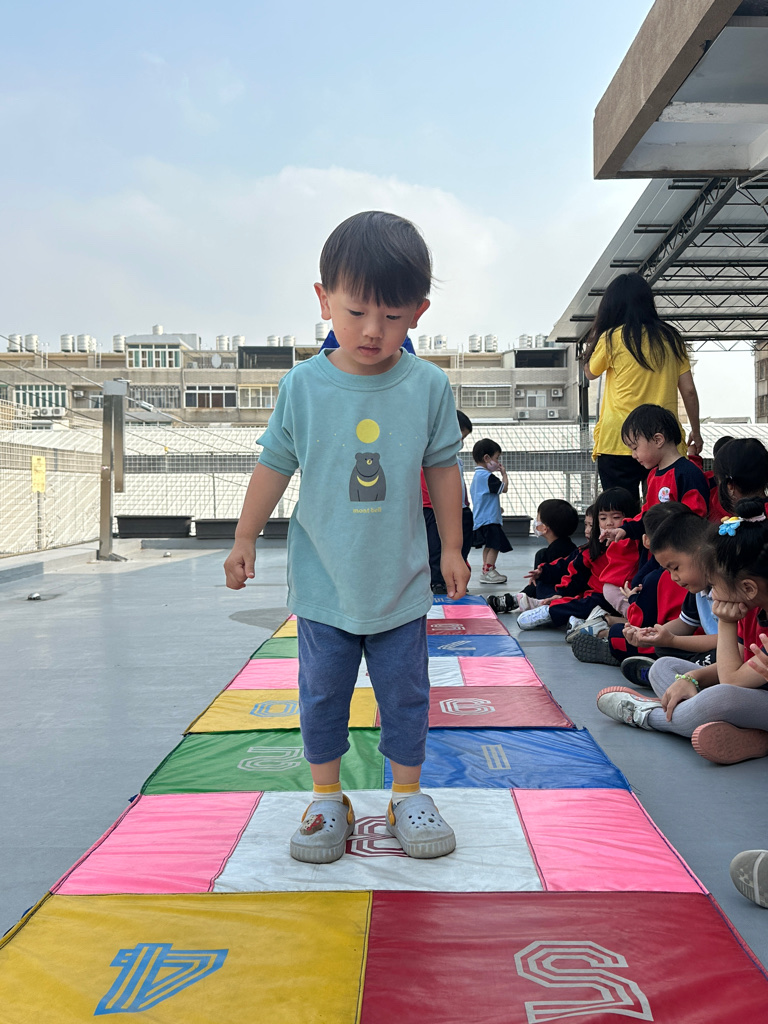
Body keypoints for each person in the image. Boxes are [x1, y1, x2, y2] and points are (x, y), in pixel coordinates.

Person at [224, 211, 468, 864]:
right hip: (324, 581)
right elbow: (274, 464)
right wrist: (245, 537)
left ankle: (407, 794)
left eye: (392, 316)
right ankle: (327, 797)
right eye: (356, 311)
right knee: (323, 692)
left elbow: (444, 470)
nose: (372, 330)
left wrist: (451, 548)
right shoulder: (303, 386)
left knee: (406, 695)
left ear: (418, 312)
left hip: (400, 581)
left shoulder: (428, 386)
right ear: (323, 298)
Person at [595, 498, 768, 766]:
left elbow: (731, 680)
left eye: (715, 584)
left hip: (744, 693)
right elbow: (740, 658)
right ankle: (751, 736)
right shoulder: (751, 609)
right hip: (749, 692)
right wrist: (692, 678)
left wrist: (725, 622)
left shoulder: (735, 613)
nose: (712, 593)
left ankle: (648, 715)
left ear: (748, 588)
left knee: (720, 697)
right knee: (663, 667)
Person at [583, 272, 702, 497]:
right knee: (663, 510)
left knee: (620, 510)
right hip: (662, 441)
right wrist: (695, 431)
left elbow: (590, 372)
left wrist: (597, 335)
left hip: (618, 440)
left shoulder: (611, 338)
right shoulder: (671, 338)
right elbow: (688, 391)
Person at [517, 487, 638, 631]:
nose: (609, 523)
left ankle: (551, 610)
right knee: (579, 601)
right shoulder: (593, 549)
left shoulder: (636, 545)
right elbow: (572, 571)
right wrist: (551, 582)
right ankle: (550, 608)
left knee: (582, 604)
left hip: (621, 596)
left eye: (616, 517)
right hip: (593, 595)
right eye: (603, 518)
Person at [600, 404, 709, 547]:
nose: (633, 455)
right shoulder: (653, 475)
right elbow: (647, 516)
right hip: (658, 550)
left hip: (680, 552)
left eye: (635, 448)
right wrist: (625, 530)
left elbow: (696, 518)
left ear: (658, 440)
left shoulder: (688, 474)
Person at [422, 410, 473, 594]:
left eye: (463, 439)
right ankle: (437, 581)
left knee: (459, 546)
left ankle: (454, 578)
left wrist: (465, 505)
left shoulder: (456, 462)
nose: (461, 443)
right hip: (432, 509)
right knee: (436, 547)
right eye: (459, 437)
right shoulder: (427, 459)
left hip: (459, 509)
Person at [513, 499, 579, 609]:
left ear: (544, 528)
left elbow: (538, 584)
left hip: (553, 595)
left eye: (538, 518)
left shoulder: (548, 554)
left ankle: (522, 600)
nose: (536, 522)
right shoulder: (572, 548)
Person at [470, 438, 511, 584]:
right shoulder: (487, 476)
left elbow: (483, 498)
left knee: (489, 545)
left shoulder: (477, 477)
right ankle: (489, 571)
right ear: (487, 458)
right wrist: (504, 474)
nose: (498, 462)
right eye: (497, 458)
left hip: (481, 518)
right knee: (495, 545)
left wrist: (496, 508)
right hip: (490, 519)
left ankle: (486, 570)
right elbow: (503, 489)